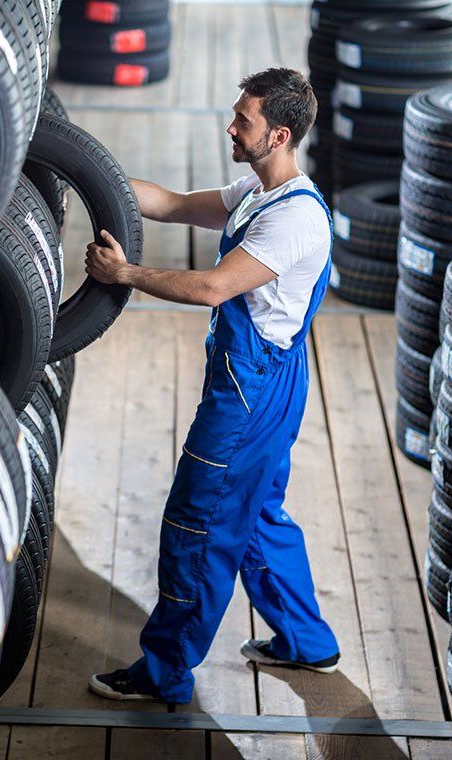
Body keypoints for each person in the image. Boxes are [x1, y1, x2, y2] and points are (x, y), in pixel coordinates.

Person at [84, 67, 340, 705]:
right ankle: (308, 643)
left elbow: (211, 287)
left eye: (244, 120)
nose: (232, 126)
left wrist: (125, 273)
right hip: (265, 378)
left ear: (278, 135)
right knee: (255, 515)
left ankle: (165, 670)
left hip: (251, 391)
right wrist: (85, 175)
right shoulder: (257, 191)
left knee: (198, 522)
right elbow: (169, 203)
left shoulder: (295, 220)